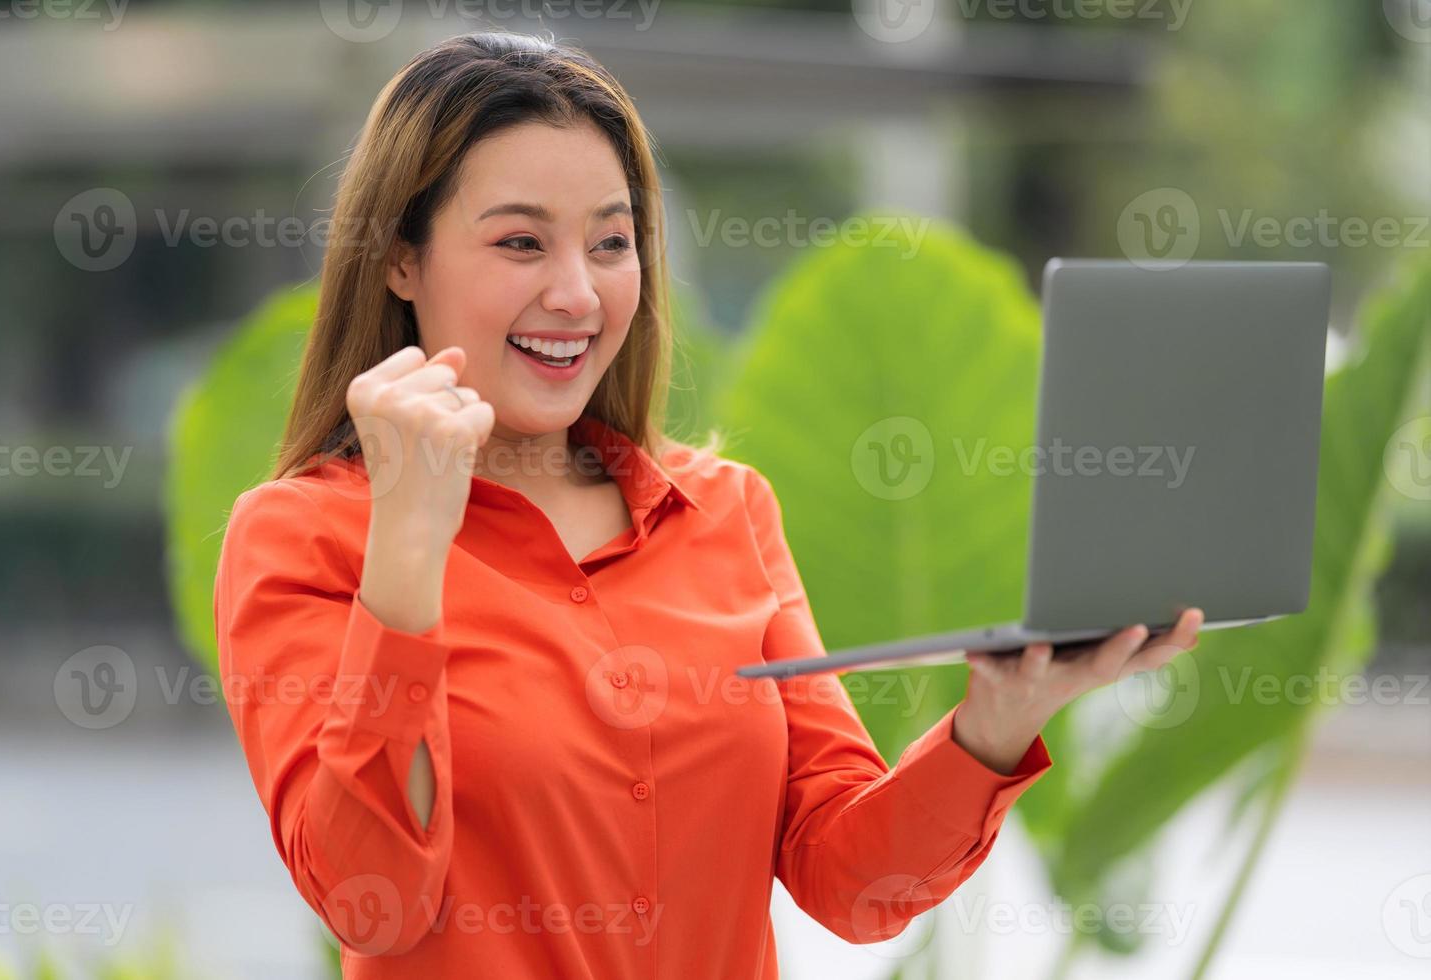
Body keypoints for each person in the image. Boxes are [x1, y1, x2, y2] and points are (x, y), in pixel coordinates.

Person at [213, 30, 1203, 979]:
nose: (577, 293)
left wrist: (1000, 718)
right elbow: (371, 895)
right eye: (521, 241)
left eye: (611, 242)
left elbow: (851, 883)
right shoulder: (303, 537)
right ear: (398, 257)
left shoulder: (728, 512)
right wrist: (409, 545)